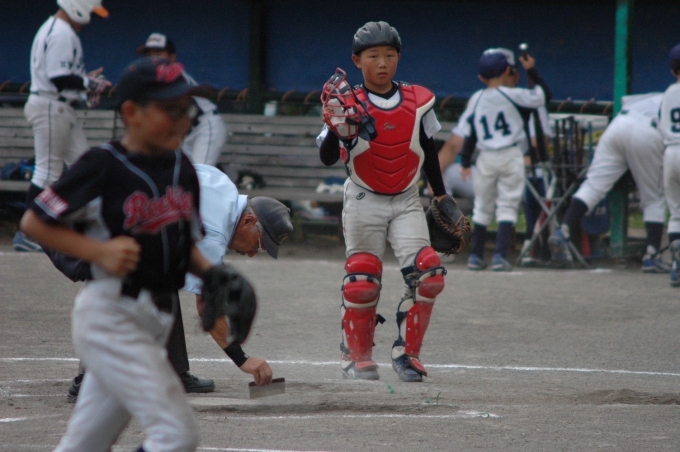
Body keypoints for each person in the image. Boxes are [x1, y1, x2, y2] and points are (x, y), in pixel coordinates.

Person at [20, 56, 226, 451]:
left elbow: (184, 244)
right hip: (111, 317)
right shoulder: (102, 164)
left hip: (155, 320)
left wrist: (215, 275)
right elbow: (34, 221)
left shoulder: (183, 168)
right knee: (177, 434)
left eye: (186, 109)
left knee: (85, 443)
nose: (182, 120)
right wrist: (98, 251)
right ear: (131, 113)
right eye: (170, 109)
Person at [65, 165, 291, 402]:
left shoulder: (222, 184)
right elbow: (206, 307)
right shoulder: (213, 234)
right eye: (259, 244)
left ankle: (174, 370)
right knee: (139, 279)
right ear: (248, 220)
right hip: (84, 225)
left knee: (163, 269)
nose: (253, 254)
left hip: (110, 209)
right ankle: (89, 377)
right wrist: (242, 359)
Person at [317, 21, 450, 382]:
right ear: (356, 61)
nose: (382, 63)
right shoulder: (344, 101)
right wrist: (335, 126)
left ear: (398, 58)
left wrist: (440, 193)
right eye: (373, 56)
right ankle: (356, 354)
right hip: (364, 197)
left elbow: (428, 148)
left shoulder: (419, 100)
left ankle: (407, 354)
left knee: (429, 273)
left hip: (406, 197)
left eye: (389, 55)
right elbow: (327, 158)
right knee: (362, 280)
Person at [14, 0, 112, 253]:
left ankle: (82, 228)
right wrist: (88, 84)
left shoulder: (58, 28)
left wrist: (84, 83)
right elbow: (58, 78)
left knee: (84, 165)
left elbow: (62, 77)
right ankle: (29, 233)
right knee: (47, 172)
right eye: (91, 13)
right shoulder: (61, 32)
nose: (89, 20)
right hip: (50, 106)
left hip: (58, 107)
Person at [549, 92, 668, 272]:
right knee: (653, 198)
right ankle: (652, 256)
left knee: (593, 185)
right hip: (648, 132)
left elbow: (624, 101)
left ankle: (563, 230)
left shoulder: (660, 94)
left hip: (619, 124)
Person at [458, 48, 550, 271]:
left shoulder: (477, 98)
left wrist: (465, 161)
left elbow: (470, 134)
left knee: (482, 206)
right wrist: (531, 70)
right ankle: (500, 257)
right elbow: (544, 95)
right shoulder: (515, 94)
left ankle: (476, 256)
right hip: (511, 154)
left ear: (481, 77)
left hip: (486, 157)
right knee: (507, 205)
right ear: (508, 71)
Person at [136, 33, 227, 166]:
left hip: (204, 127)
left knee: (200, 173)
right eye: (149, 54)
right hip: (185, 133)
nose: (153, 58)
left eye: (158, 53)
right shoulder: (152, 80)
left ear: (172, 57)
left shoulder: (177, 77)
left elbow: (186, 109)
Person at [659, 43, 680, 286]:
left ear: (673, 71)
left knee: (676, 213)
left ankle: (676, 265)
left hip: (670, 153)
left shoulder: (667, 93)